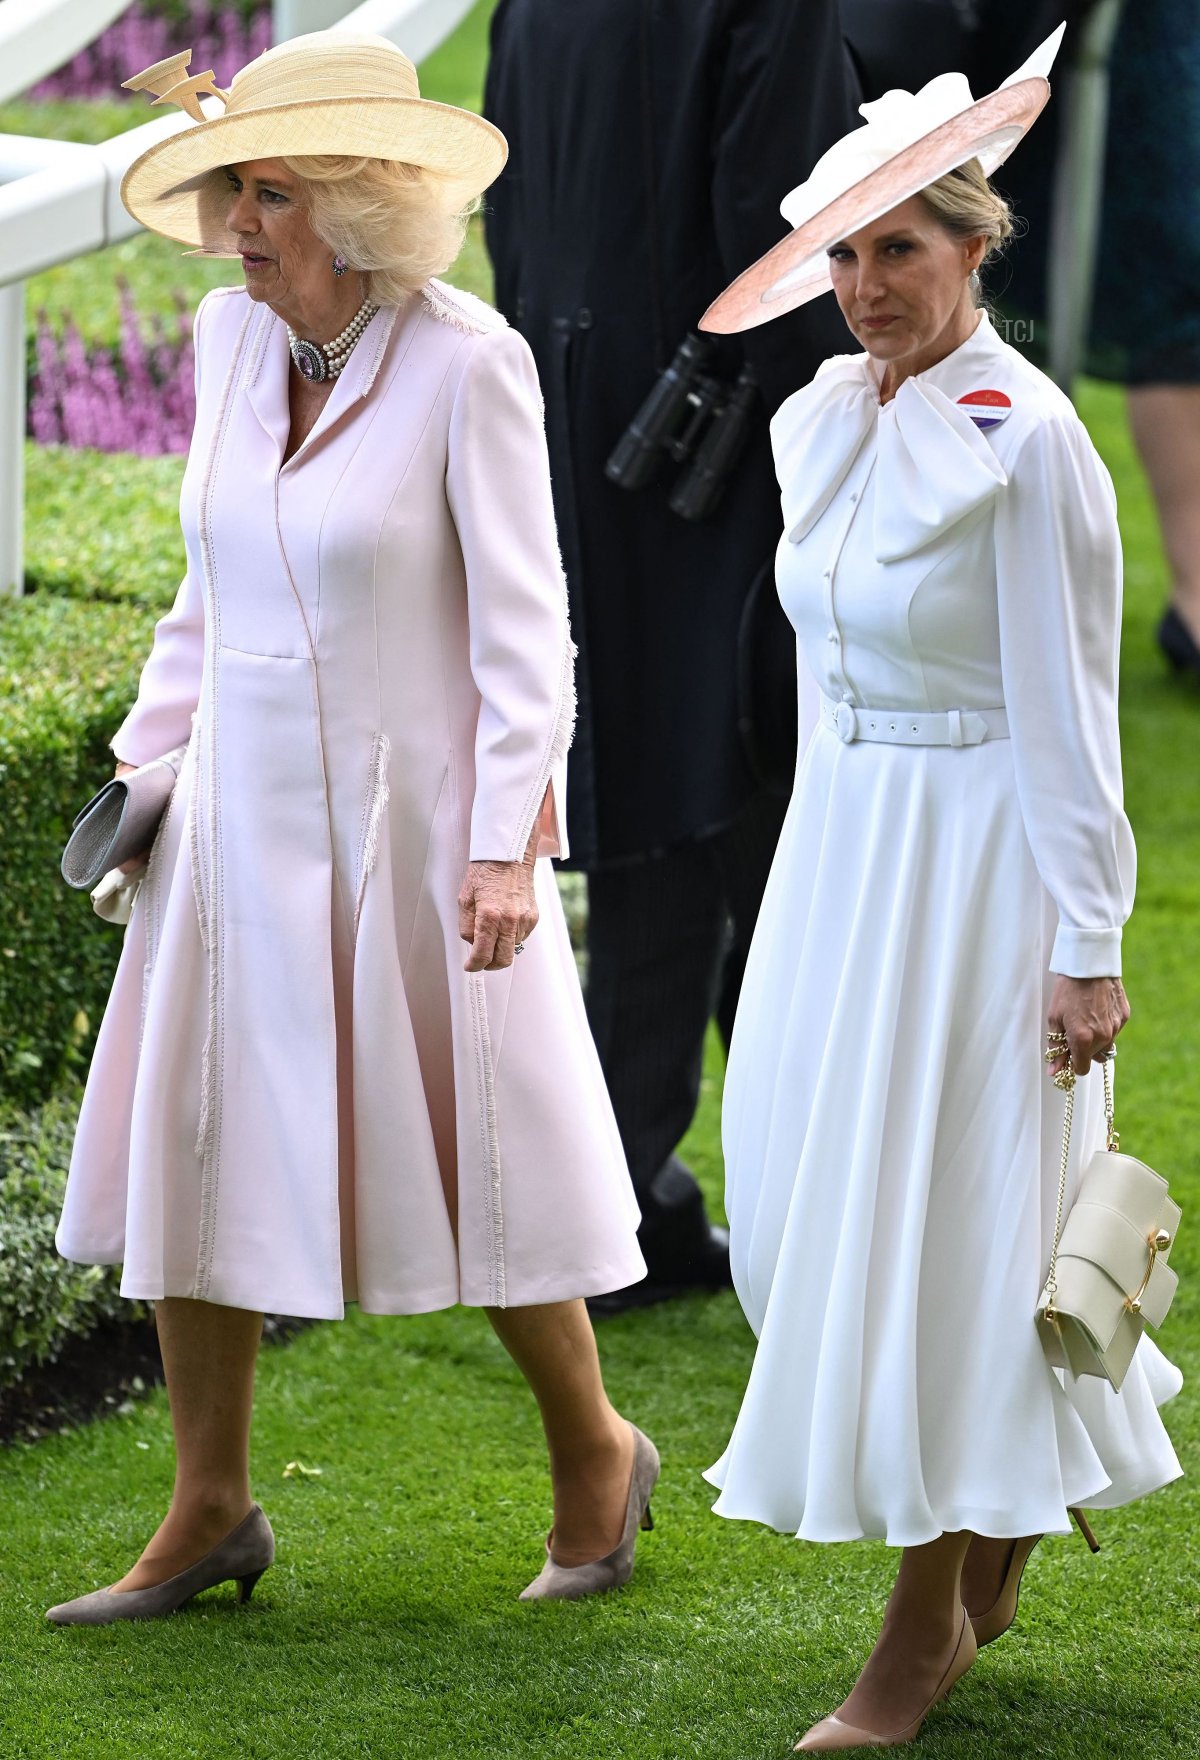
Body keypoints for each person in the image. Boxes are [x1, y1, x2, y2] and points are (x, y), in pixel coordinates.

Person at [46, 32, 659, 1625]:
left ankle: (597, 1453)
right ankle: (208, 1510)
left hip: (420, 835)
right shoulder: (224, 345)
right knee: (194, 1149)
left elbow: (531, 632)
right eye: (234, 191)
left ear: (367, 206)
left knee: (491, 1157)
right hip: (231, 821)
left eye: (271, 192)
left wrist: (509, 848)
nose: (239, 224)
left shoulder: (472, 363)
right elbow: (207, 585)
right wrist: (140, 769)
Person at [699, 30, 1182, 1751]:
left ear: (979, 248)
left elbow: (1071, 710)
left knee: (951, 1228)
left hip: (980, 874)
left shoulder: (1031, 441)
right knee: (804, 1193)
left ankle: (921, 1634)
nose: (862, 286)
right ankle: (996, 1525)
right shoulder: (829, 417)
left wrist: (1083, 943)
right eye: (842, 253)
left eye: (898, 248)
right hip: (844, 863)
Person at [482, 0, 860, 1310]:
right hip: (727, 432)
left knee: (661, 800)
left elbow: (508, 217)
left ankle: (625, 1194)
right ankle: (750, 1196)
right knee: (757, 815)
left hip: (584, 409)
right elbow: (789, 232)